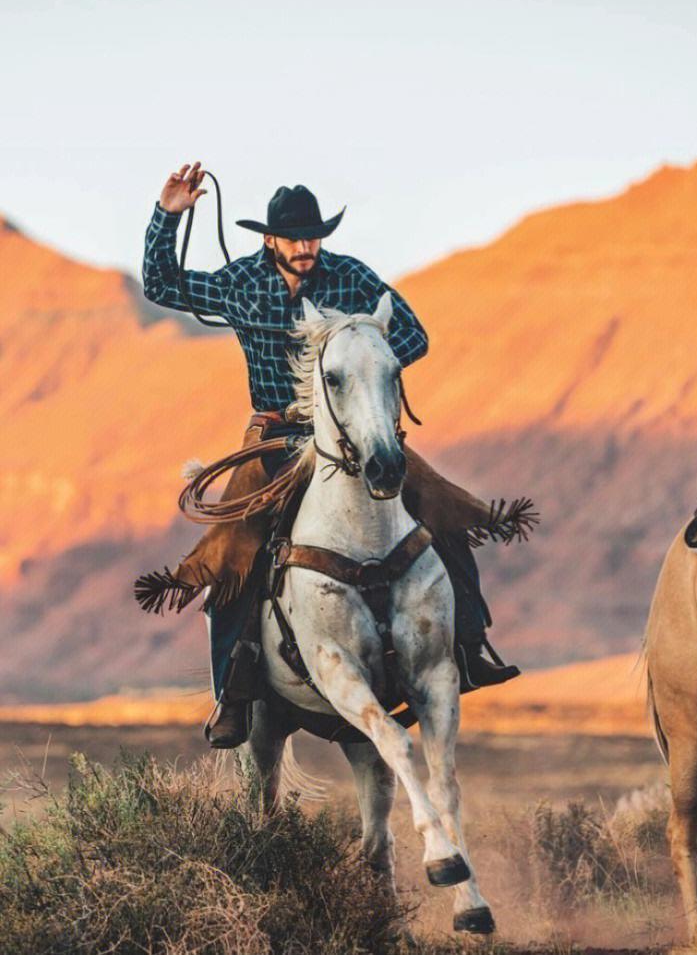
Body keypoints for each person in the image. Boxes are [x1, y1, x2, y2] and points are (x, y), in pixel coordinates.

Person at [141, 162, 519, 747]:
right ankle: (234, 691)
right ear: (270, 238)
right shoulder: (241, 283)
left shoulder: (350, 278)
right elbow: (161, 286)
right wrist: (169, 216)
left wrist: (355, 347)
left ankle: (470, 647)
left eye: (314, 236)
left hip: (350, 431)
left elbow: (413, 336)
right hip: (273, 438)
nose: (306, 246)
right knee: (232, 549)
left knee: (441, 510)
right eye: (294, 236)